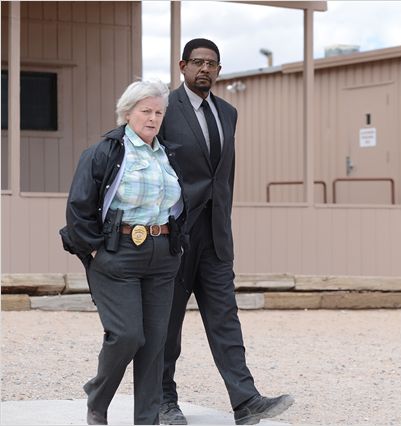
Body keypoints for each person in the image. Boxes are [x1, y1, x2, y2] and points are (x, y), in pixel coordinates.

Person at [158, 38, 293, 426]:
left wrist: (224, 223)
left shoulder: (228, 113)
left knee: (225, 319)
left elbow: (223, 176)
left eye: (212, 64)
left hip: (216, 235)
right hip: (174, 234)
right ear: (182, 66)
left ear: (219, 70)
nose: (205, 69)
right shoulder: (163, 109)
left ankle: (245, 401)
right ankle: (163, 401)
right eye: (197, 62)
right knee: (167, 324)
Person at [60, 79, 188, 425]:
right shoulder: (105, 152)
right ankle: (97, 399)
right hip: (118, 252)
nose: (153, 118)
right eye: (146, 111)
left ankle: (147, 420)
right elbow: (78, 208)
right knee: (128, 335)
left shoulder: (168, 154)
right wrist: (94, 251)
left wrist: (178, 244)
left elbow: (178, 204)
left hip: (163, 253)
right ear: (127, 112)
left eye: (158, 112)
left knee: (155, 343)